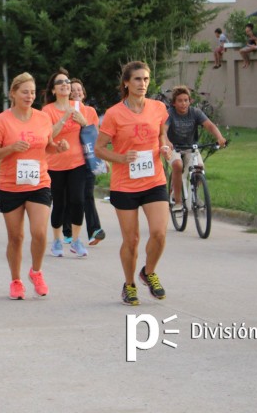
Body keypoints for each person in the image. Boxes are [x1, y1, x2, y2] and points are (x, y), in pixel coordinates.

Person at [95, 61, 173, 305]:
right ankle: (129, 284)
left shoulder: (158, 108)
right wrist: (119, 158)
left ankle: (148, 272)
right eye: (138, 79)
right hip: (125, 184)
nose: (143, 84)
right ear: (126, 83)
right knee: (132, 240)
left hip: (154, 178)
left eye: (146, 79)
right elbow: (99, 149)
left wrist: (165, 146)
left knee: (159, 233)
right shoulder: (114, 114)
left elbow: (162, 134)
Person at [0, 72, 68, 299]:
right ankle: (16, 280)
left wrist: (58, 147)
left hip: (38, 181)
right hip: (10, 184)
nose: (29, 96)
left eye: (33, 92)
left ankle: (36, 271)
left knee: (40, 233)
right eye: (25, 92)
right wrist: (11, 148)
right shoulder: (2, 120)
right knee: (16, 237)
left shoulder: (42, 118)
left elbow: (48, 145)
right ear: (13, 93)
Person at [43, 68, 92, 258]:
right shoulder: (47, 111)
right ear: (54, 90)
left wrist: (83, 122)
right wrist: (64, 118)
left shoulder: (79, 107)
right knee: (60, 204)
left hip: (77, 162)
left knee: (78, 201)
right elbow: (49, 135)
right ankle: (56, 240)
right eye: (60, 82)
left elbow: (91, 132)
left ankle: (75, 240)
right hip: (55, 165)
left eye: (67, 82)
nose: (65, 84)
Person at [166, 86, 227, 210]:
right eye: (180, 101)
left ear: (190, 101)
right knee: (177, 165)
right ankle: (177, 201)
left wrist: (220, 137)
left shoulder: (195, 112)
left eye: (186, 100)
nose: (183, 103)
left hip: (190, 147)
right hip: (173, 147)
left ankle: (196, 195)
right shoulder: (170, 114)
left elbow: (210, 126)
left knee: (199, 167)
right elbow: (163, 131)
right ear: (174, 103)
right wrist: (167, 142)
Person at [62, 78, 106, 246]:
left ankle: (94, 230)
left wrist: (102, 159)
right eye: (73, 90)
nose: (76, 93)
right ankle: (67, 231)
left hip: (88, 158)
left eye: (79, 90)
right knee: (70, 196)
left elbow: (95, 136)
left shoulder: (90, 111)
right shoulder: (63, 111)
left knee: (87, 194)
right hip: (69, 159)